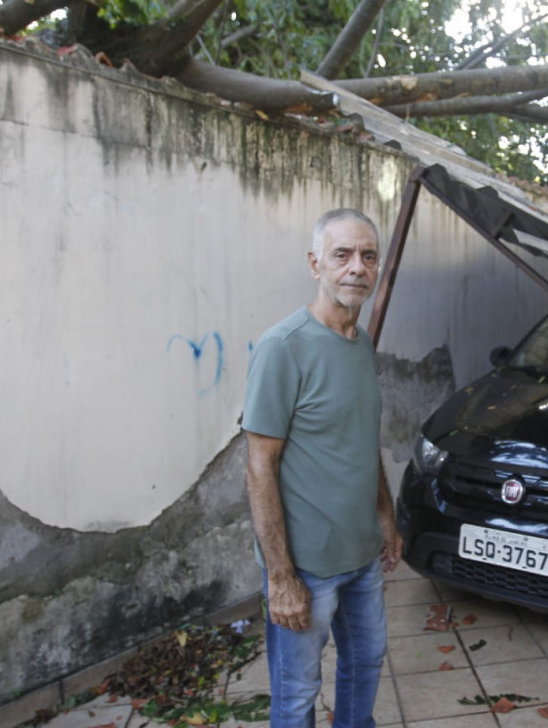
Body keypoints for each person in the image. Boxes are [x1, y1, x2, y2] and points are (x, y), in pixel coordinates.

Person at [241, 208, 402, 728]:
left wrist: (385, 515)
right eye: (342, 255)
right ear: (316, 264)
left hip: (360, 557)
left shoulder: (362, 345)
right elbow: (258, 469)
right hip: (306, 566)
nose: (357, 267)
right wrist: (281, 577)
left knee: (364, 666)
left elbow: (361, 440)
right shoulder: (282, 347)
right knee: (295, 697)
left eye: (368, 256)